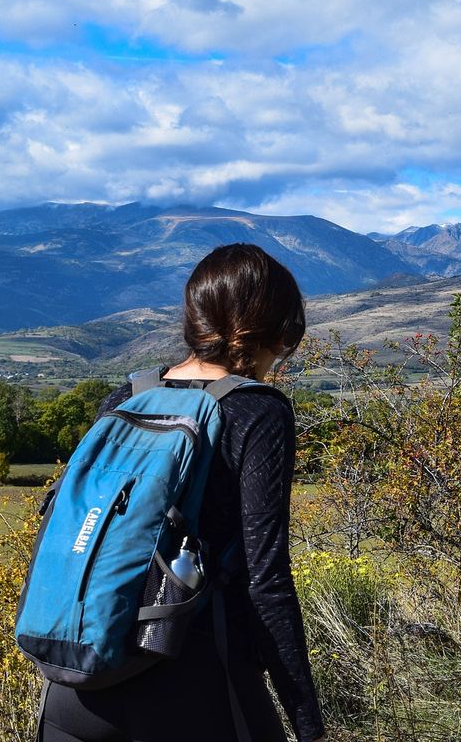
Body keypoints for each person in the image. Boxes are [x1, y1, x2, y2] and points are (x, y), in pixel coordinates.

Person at [41, 243, 326, 742]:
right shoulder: (258, 412)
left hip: (76, 683)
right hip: (195, 680)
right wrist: (307, 721)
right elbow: (267, 580)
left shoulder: (127, 398)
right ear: (276, 328)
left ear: (193, 319)